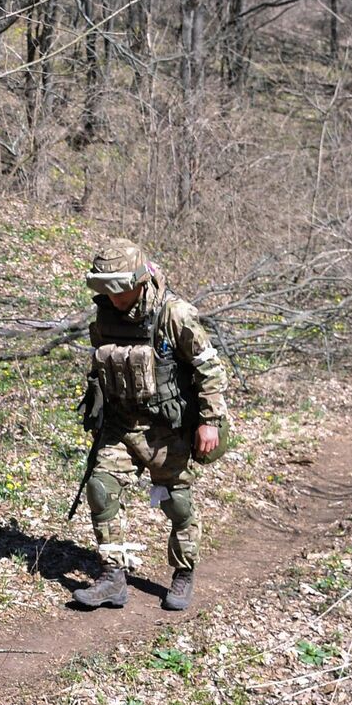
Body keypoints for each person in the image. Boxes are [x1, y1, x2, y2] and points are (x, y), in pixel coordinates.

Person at [73, 239, 230, 613]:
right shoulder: (105, 316)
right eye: (104, 288)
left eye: (118, 288)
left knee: (177, 503)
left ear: (140, 281)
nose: (112, 297)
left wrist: (208, 421)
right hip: (121, 423)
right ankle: (113, 577)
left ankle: (183, 572)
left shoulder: (174, 314)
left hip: (167, 427)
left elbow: (209, 369)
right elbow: (103, 368)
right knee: (101, 488)